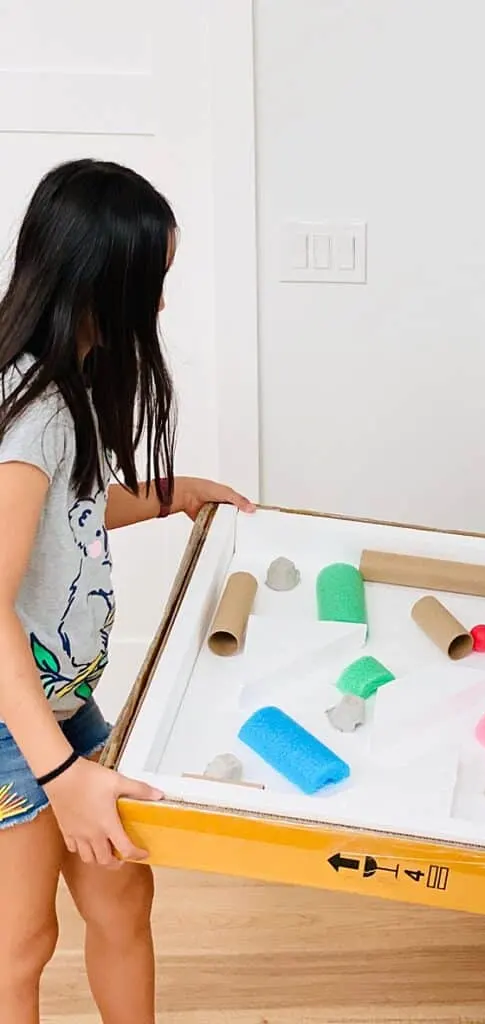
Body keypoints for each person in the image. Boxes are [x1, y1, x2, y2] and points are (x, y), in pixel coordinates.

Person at [0, 159, 255, 1024]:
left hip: (62, 702)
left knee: (120, 901)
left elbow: (67, 510)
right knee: (20, 945)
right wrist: (61, 771)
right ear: (98, 283)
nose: (161, 303)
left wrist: (166, 492)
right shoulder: (28, 411)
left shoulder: (59, 392)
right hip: (16, 728)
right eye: (154, 282)